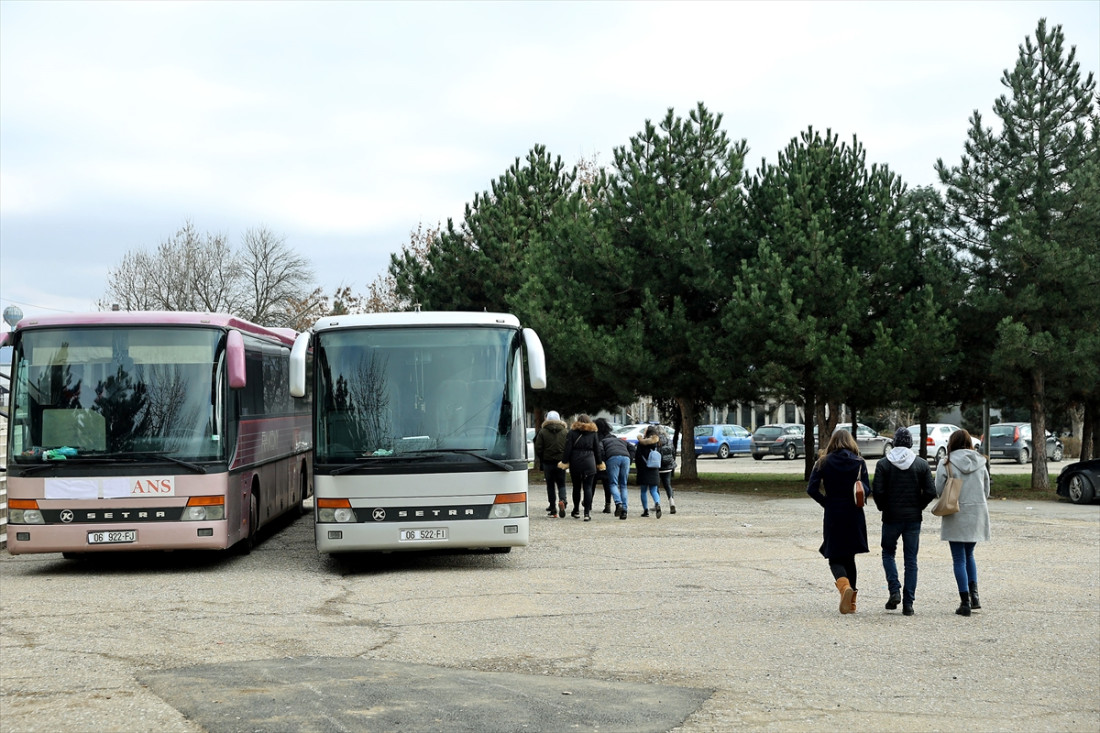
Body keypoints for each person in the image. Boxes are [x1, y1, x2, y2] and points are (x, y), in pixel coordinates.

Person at [872, 427, 937, 616]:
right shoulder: (921, 464)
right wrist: (919, 506)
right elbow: (931, 491)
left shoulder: (883, 464)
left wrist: (883, 507)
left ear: (894, 442)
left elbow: (878, 491)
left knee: (888, 553)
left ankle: (894, 590)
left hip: (891, 516)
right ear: (910, 443)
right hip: (913, 518)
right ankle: (908, 604)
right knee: (911, 560)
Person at [807, 429, 871, 614]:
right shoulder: (859, 462)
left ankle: (844, 588)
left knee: (834, 556)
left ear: (832, 442)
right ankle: (852, 604)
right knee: (849, 557)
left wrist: (825, 502)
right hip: (854, 513)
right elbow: (867, 489)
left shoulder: (823, 462)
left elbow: (811, 489)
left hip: (833, 512)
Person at [935, 428, 991, 617]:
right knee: (969, 555)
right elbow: (986, 490)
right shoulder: (980, 461)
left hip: (955, 512)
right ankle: (975, 597)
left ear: (951, 443)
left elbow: (939, 489)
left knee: (958, 558)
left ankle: (964, 601)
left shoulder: (946, 462)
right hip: (976, 512)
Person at [558, 414, 605, 521]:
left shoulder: (572, 433)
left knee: (576, 487)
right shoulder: (593, 433)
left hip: (576, 461)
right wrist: (599, 463)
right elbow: (597, 450)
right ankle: (587, 513)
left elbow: (568, 449)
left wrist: (564, 462)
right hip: (589, 461)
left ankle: (576, 510)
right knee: (588, 487)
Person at [534, 411, 568, 518]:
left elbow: (538, 447)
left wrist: (542, 458)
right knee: (561, 483)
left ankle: (553, 509)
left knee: (550, 485)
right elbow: (568, 446)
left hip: (548, 462)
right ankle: (562, 500)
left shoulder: (543, 431)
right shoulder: (565, 431)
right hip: (561, 462)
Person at [596, 418, 631, 519]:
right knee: (623, 485)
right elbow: (632, 448)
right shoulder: (620, 440)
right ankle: (624, 510)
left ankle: (618, 503)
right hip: (626, 458)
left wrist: (604, 460)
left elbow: (600, 451)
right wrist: (630, 457)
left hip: (613, 458)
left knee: (613, 483)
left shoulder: (603, 441)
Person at [635, 425, 663, 518]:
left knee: (643, 491)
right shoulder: (658, 443)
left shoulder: (641, 443)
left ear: (647, 433)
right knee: (654, 490)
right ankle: (657, 503)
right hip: (654, 469)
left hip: (643, 469)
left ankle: (645, 510)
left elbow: (638, 457)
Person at [658, 430, 677, 514]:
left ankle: (657, 503)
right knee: (668, 485)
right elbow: (673, 452)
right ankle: (671, 501)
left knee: (656, 486)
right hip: (668, 466)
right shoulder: (669, 441)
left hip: (658, 467)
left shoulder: (655, 441)